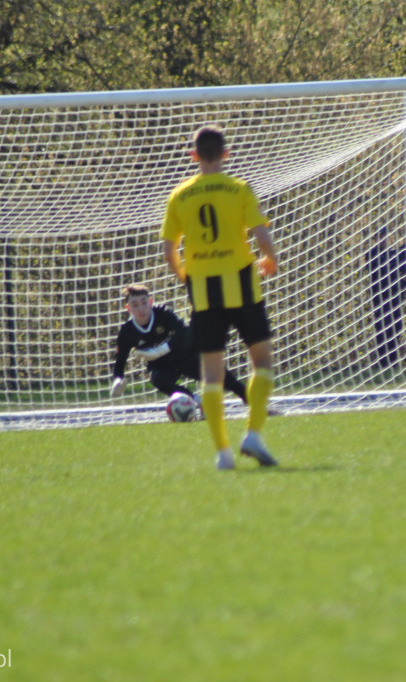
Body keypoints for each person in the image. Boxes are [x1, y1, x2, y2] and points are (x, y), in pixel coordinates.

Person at [161, 125, 280, 470]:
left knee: (211, 375)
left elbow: (169, 250)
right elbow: (261, 235)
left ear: (193, 156)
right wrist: (270, 258)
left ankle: (223, 453)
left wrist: (185, 276)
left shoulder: (179, 195)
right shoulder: (239, 188)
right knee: (262, 363)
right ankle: (253, 434)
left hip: (203, 289)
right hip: (243, 284)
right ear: (226, 154)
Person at [109, 283, 249, 405]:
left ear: (150, 302)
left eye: (144, 303)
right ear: (128, 308)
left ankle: (250, 398)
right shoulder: (127, 331)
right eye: (135, 305)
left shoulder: (163, 313)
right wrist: (118, 380)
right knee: (158, 379)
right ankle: (195, 401)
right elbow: (120, 362)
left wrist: (158, 352)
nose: (141, 309)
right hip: (162, 366)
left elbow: (184, 332)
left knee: (218, 374)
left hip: (186, 356)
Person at [366, 226, 406, 368]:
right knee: (383, 327)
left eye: (386, 236)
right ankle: (383, 361)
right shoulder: (372, 254)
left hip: (396, 296)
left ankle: (393, 361)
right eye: (381, 237)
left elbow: (402, 269)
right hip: (381, 297)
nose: (384, 240)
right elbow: (382, 270)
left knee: (396, 326)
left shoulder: (395, 253)